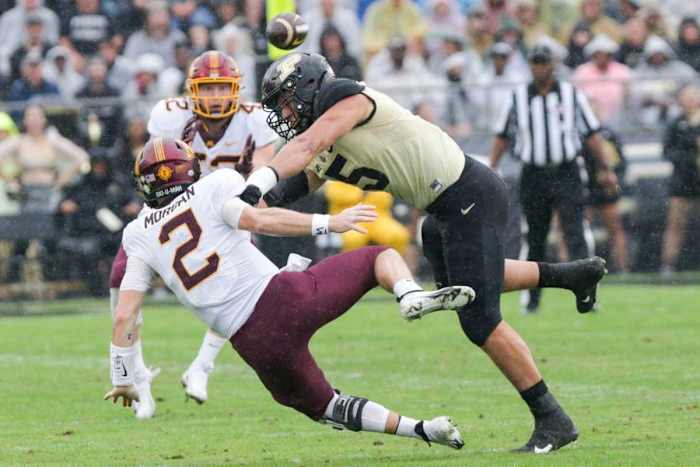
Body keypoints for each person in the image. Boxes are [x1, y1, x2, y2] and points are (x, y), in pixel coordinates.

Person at [237, 52, 608, 452]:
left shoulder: (344, 98)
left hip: (468, 195)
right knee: (472, 282)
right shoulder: (320, 136)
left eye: (287, 102)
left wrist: (259, 181)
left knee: (479, 319)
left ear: (310, 88)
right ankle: (572, 275)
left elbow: (307, 146)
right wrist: (245, 203)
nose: (286, 114)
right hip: (442, 210)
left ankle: (553, 419)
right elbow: (296, 182)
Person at [104, 137, 472, 451]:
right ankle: (408, 294)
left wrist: (122, 379)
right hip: (285, 298)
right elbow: (259, 220)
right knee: (379, 258)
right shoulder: (216, 184)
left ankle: (423, 430)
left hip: (256, 344)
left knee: (328, 407)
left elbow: (124, 315)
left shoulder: (137, 234)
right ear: (189, 167)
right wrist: (329, 222)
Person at [108, 51, 279, 420]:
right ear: (192, 90)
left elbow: (263, 175)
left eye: (222, 87)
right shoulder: (171, 114)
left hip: (225, 211)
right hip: (173, 209)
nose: (215, 96)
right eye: (208, 88)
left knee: (238, 287)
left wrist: (249, 204)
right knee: (120, 279)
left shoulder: (256, 119)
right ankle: (136, 375)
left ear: (236, 89)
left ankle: (202, 365)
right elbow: (152, 167)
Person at [490, 44, 616, 313]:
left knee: (576, 233)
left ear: (553, 64)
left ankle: (588, 296)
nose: (539, 68)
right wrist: (492, 167)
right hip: (533, 173)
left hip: (566, 170)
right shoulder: (518, 97)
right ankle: (531, 300)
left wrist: (605, 167)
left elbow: (591, 133)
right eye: (535, 63)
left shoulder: (571, 94)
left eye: (543, 62)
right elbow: (501, 135)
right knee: (535, 237)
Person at [660, 84, 700, 273]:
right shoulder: (676, 123)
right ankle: (668, 265)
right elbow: (667, 152)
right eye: (686, 97)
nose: (690, 101)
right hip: (682, 182)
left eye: (693, 96)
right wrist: (690, 157)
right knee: (675, 225)